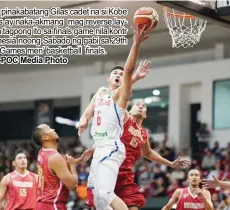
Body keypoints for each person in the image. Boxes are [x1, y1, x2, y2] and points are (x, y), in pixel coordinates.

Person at [78, 25, 150, 210]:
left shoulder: (120, 97)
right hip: (100, 147)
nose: (118, 75)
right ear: (108, 79)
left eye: (120, 74)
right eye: (114, 74)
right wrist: (84, 121)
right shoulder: (101, 93)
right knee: (97, 199)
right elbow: (89, 111)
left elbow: (127, 72)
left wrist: (136, 43)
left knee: (106, 194)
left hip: (111, 147)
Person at [86, 99, 191, 210]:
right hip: (108, 170)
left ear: (145, 115)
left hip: (125, 176)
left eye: (144, 106)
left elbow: (148, 153)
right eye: (137, 105)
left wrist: (170, 163)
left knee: (133, 206)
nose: (141, 107)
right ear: (130, 110)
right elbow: (121, 99)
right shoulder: (124, 118)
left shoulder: (143, 132)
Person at [32, 124, 93, 210]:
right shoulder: (54, 157)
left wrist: (81, 159)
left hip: (42, 204)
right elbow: (73, 186)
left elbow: (60, 169)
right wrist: (72, 166)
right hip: (53, 205)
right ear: (45, 137)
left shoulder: (42, 152)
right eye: (49, 128)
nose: (53, 129)